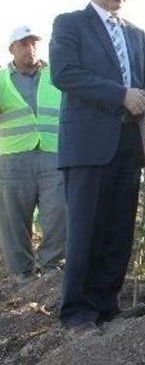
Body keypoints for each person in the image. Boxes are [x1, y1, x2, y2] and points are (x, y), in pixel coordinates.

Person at [50, 0, 145, 333]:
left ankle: (106, 305)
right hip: (87, 146)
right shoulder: (70, 25)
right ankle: (77, 313)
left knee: (118, 230)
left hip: (129, 145)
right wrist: (121, 95)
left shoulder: (136, 33)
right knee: (86, 229)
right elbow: (65, 74)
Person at [0, 25, 65, 285]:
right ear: (12, 49)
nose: (30, 48)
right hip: (12, 158)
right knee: (13, 216)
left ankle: (53, 266)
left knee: (58, 211)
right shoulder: (2, 79)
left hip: (53, 153)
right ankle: (22, 272)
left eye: (34, 43)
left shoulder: (57, 76)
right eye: (24, 44)